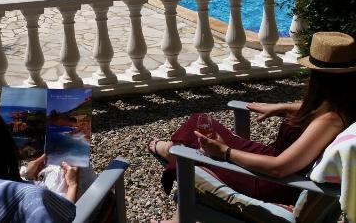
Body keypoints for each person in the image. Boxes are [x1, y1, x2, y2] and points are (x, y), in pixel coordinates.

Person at [147, 32, 356, 223]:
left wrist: (225, 152)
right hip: (269, 158)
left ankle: (170, 157)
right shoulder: (342, 106)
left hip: (267, 180)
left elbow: (279, 167)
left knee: (191, 150)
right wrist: (284, 107)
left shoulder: (329, 121)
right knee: (199, 121)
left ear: (318, 77)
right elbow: (318, 113)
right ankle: (171, 156)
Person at [0, 107, 81, 203]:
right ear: (6, 147)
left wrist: (25, 175)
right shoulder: (32, 195)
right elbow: (65, 216)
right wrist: (72, 184)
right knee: (68, 170)